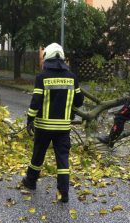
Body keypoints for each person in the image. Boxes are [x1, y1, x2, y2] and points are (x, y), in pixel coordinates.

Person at [22, 43, 84, 203]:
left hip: (43, 126)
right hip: (63, 128)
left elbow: (36, 101)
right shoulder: (72, 77)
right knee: (63, 159)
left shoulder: (42, 77)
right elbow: (79, 101)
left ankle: (31, 182)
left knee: (38, 155)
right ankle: (64, 193)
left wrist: (29, 120)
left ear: (47, 58)